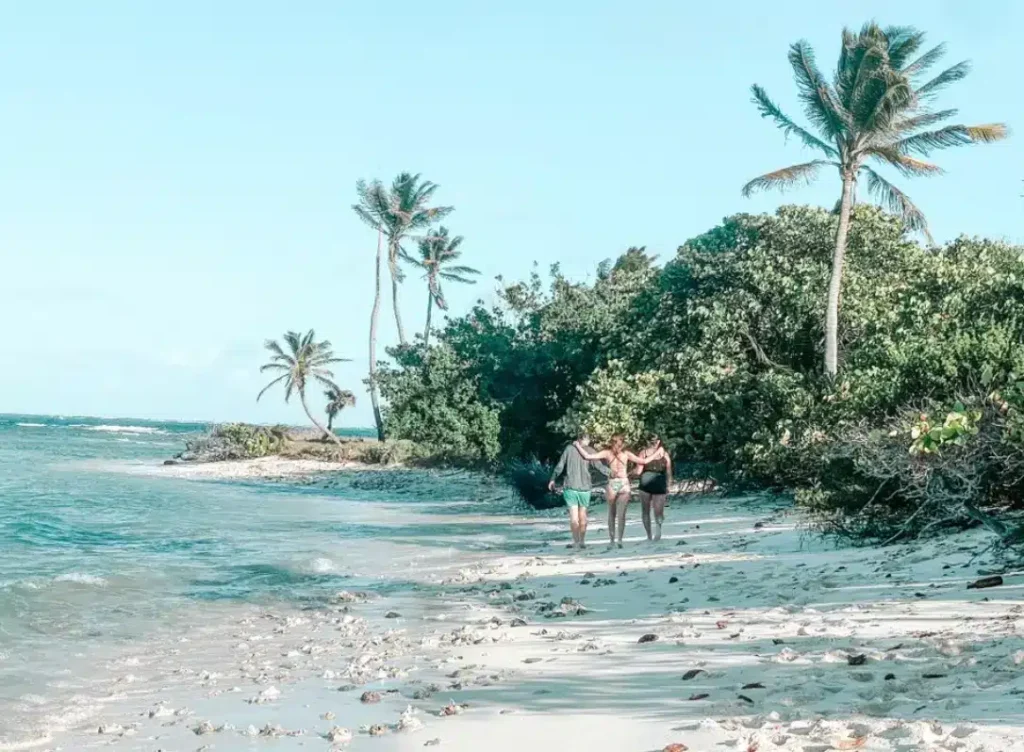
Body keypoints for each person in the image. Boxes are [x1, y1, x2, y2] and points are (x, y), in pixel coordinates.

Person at [575, 434, 647, 548]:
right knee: (619, 514)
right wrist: (656, 454)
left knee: (613, 513)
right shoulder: (626, 454)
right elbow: (643, 461)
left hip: (614, 482)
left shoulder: (607, 453)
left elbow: (588, 456)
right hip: (623, 482)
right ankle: (619, 540)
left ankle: (613, 540)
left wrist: (577, 445)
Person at [548, 433, 608, 549]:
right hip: (585, 487)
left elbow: (560, 466)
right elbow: (599, 467)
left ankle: (576, 542)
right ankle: (582, 541)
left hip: (570, 486)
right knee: (583, 516)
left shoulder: (569, 449)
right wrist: (612, 473)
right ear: (586, 440)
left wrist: (552, 479)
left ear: (578, 439)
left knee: (574, 517)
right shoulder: (591, 451)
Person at [635, 434, 672, 542]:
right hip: (660, 482)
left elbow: (638, 471)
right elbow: (669, 472)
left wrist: (629, 473)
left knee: (645, 511)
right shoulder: (665, 455)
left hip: (645, 482)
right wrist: (669, 485)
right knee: (658, 510)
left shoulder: (643, 453)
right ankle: (658, 530)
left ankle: (649, 535)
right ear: (658, 442)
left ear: (647, 442)